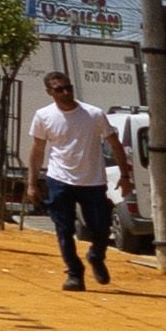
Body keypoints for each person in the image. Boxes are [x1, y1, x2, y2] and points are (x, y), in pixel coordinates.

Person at [25, 69, 130, 291]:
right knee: (63, 229)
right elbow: (37, 150)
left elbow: (115, 144)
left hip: (92, 181)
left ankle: (96, 255)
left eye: (68, 87)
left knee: (101, 228)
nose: (65, 92)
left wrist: (125, 175)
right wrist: (32, 183)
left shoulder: (93, 114)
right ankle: (74, 273)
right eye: (59, 89)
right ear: (49, 92)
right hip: (59, 179)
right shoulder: (44, 116)